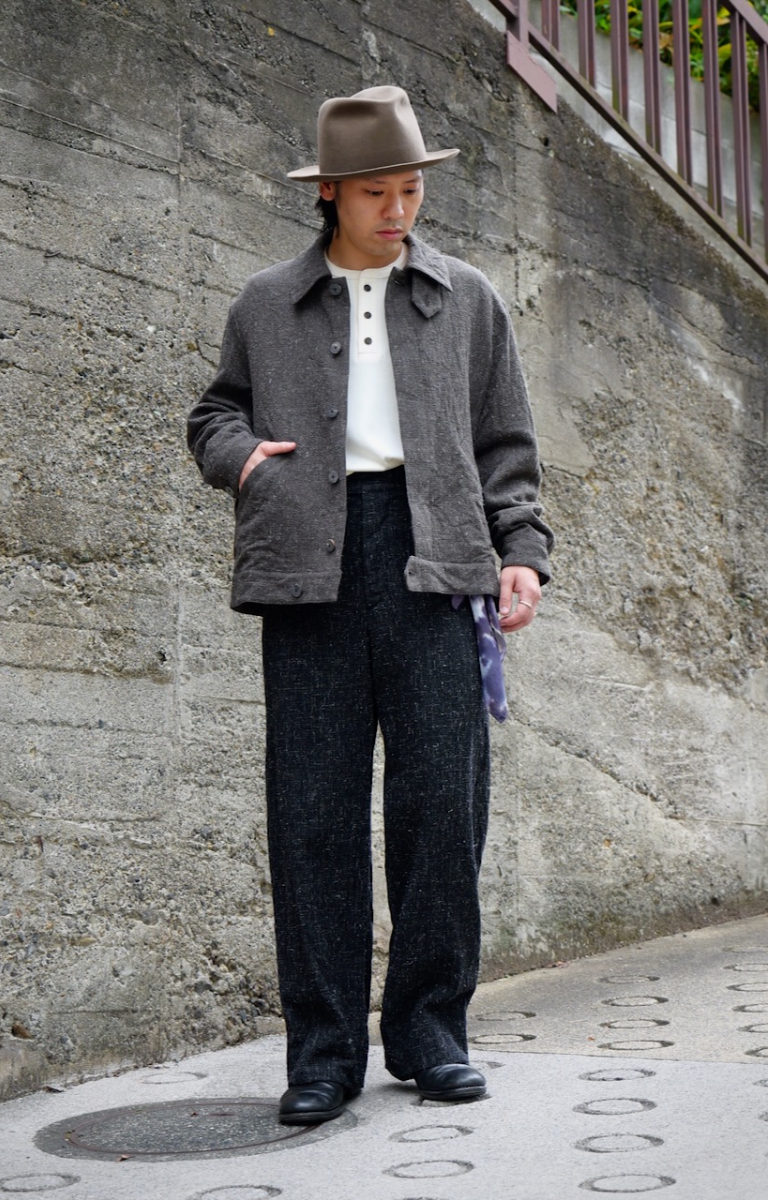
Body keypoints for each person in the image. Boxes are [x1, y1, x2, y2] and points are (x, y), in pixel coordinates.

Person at [187, 85, 553, 1125]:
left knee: (442, 808)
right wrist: (242, 459)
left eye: (411, 191)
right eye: (376, 192)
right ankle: (323, 1054)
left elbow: (506, 444)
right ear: (331, 195)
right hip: (308, 562)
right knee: (313, 814)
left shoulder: (466, 297)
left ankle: (430, 1034)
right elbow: (214, 410)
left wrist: (521, 553)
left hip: (436, 556)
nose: (398, 210)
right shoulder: (266, 301)